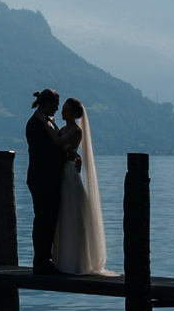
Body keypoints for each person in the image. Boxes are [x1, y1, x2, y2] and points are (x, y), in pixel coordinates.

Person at [50, 97, 110, 276]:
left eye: (67, 110)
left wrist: (45, 124)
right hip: (62, 171)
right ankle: (63, 259)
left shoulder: (76, 131)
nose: (63, 112)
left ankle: (75, 260)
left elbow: (58, 143)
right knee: (64, 213)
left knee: (72, 212)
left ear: (75, 114)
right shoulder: (62, 129)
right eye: (63, 109)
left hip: (69, 173)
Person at [23, 89, 71, 274]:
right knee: (43, 220)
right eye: (56, 104)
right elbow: (46, 151)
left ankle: (45, 259)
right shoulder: (36, 124)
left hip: (47, 178)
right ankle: (41, 261)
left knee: (48, 220)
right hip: (42, 178)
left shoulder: (46, 122)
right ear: (47, 103)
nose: (58, 108)